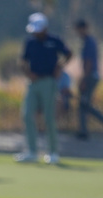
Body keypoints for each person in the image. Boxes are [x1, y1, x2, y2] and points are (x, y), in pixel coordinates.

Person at [14, 12, 70, 165]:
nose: (35, 32)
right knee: (27, 114)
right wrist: (27, 73)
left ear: (45, 28)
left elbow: (68, 54)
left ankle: (53, 152)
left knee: (48, 117)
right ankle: (32, 152)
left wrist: (60, 67)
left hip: (49, 82)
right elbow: (22, 61)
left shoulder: (54, 40)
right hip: (33, 83)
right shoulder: (30, 42)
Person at [74, 19, 103, 140]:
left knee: (84, 103)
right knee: (84, 104)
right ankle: (86, 129)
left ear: (84, 28)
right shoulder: (89, 41)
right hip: (91, 76)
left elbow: (88, 63)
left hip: (90, 76)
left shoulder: (88, 42)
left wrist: (84, 80)